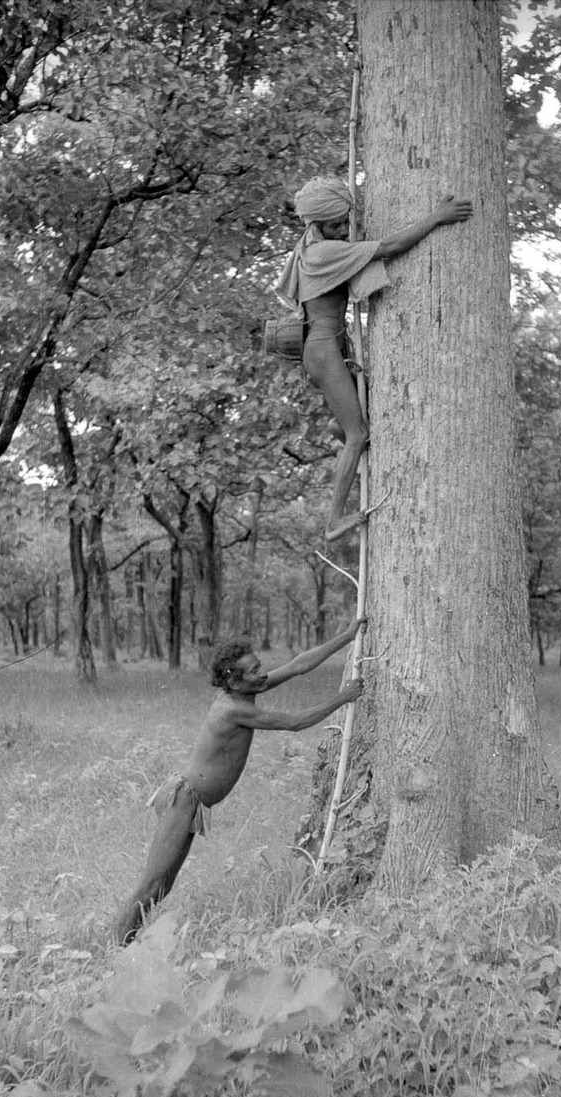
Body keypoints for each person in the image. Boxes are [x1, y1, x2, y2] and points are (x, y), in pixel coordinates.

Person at [112, 619, 365, 945]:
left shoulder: (247, 688)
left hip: (194, 803)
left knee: (163, 885)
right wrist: (342, 698)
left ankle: (126, 945)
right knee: (152, 883)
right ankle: (116, 951)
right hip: (183, 800)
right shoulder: (232, 708)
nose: (262, 674)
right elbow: (293, 723)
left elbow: (298, 665)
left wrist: (347, 635)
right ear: (233, 679)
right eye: (253, 670)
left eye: (260, 667)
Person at [277, 176, 473, 541]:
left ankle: (342, 430)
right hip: (322, 349)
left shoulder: (311, 243)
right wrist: (437, 217)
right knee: (359, 433)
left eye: (344, 221)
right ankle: (333, 521)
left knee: (347, 426)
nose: (343, 229)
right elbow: (391, 246)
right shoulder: (323, 252)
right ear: (317, 225)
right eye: (336, 224)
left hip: (324, 348)